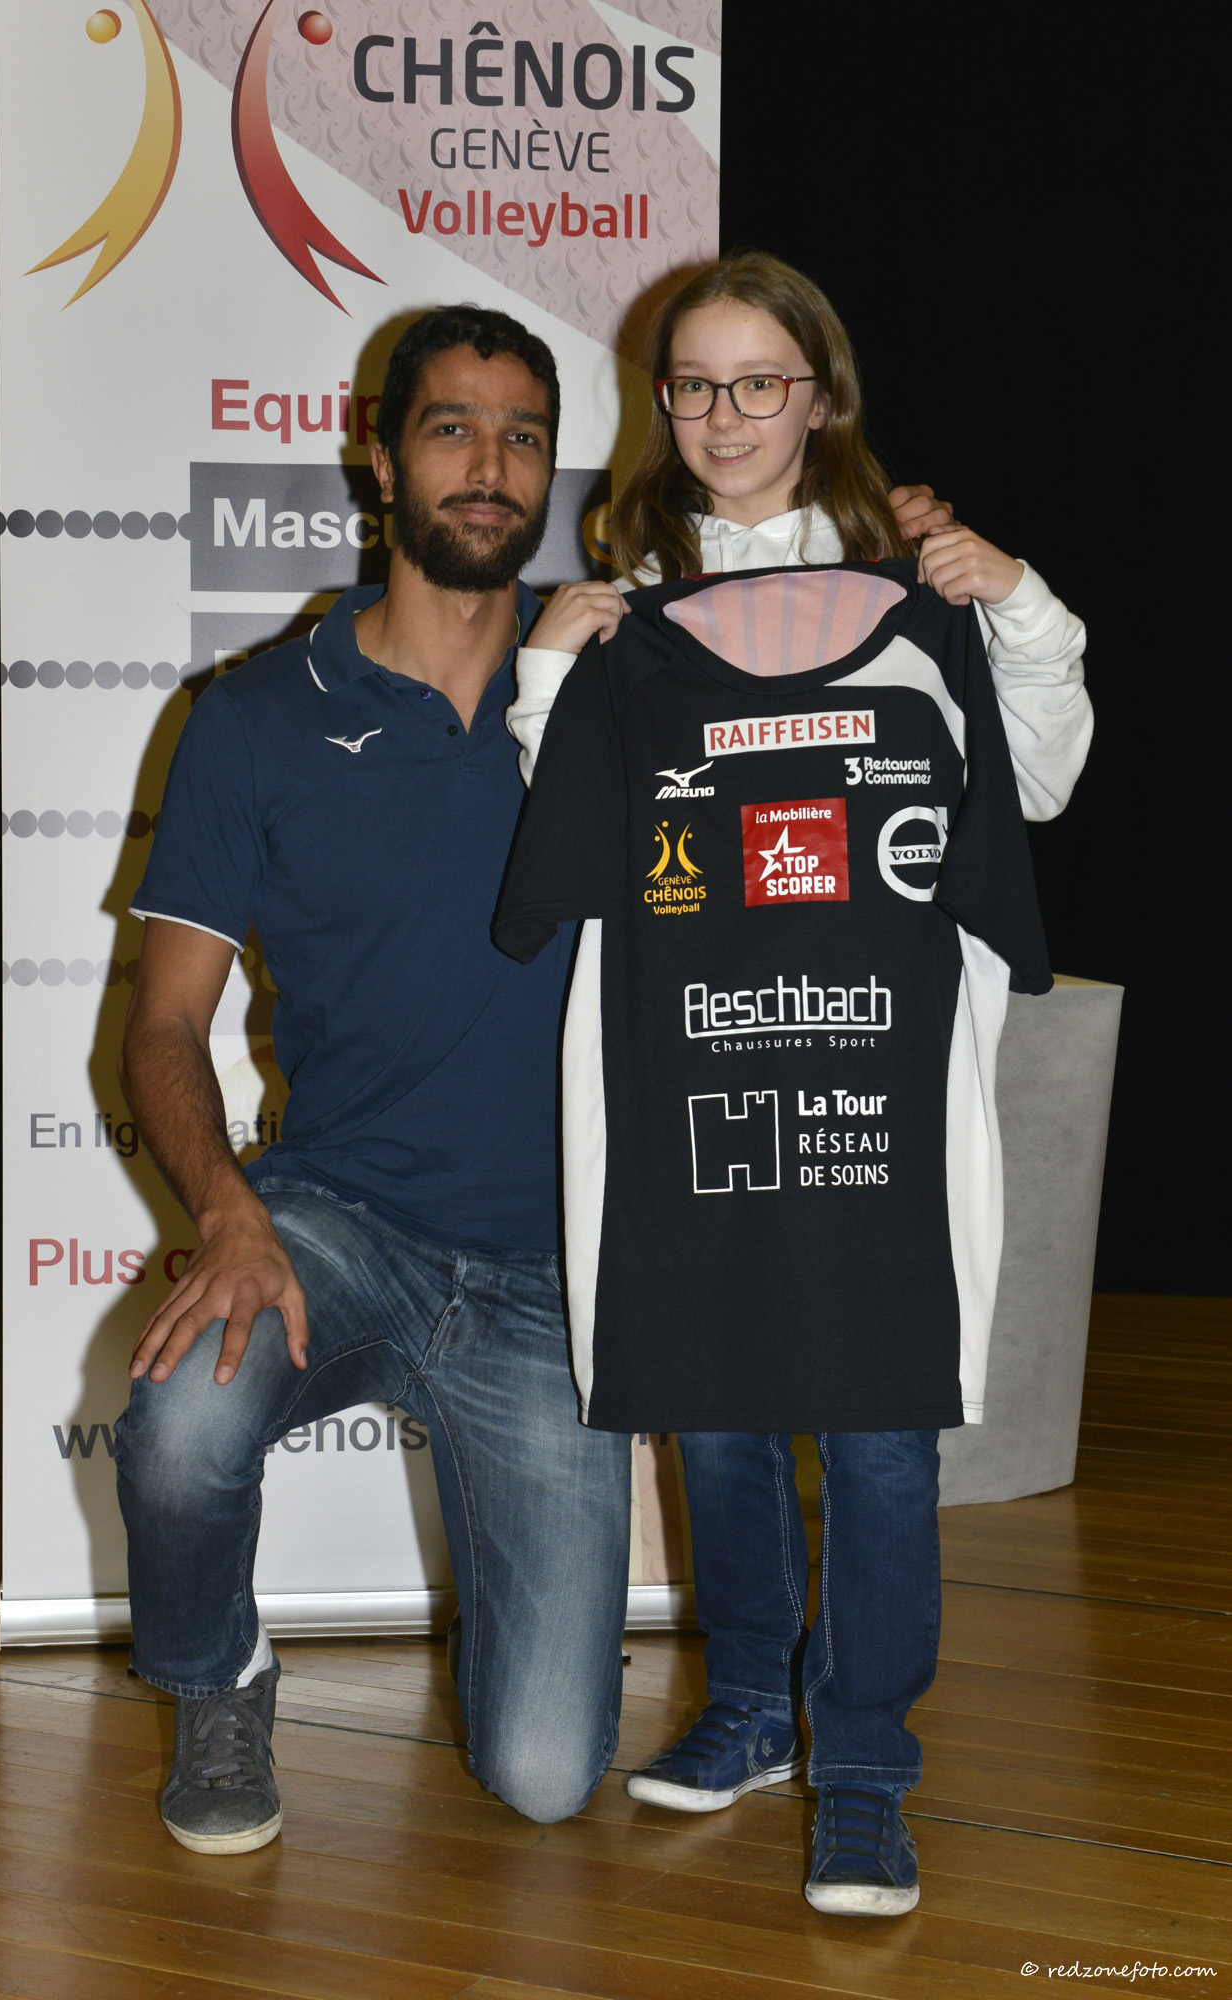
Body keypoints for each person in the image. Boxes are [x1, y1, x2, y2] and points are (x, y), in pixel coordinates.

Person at [113, 296, 951, 1858]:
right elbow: (162, 1029)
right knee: (176, 1422)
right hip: (339, 1224)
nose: (489, 466)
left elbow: (822, 692)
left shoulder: (630, 676)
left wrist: (898, 555)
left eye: (522, 437)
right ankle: (217, 1680)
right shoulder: (252, 719)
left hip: (555, 1282)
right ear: (378, 461)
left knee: (549, 1774)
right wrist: (228, 1216)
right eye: (451, 429)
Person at [497, 251, 1089, 1916]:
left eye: (758, 381)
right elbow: (570, 830)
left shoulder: (918, 580)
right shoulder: (629, 593)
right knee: (716, 1399)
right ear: (660, 400)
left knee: (879, 1426)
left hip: (878, 1081)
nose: (724, 414)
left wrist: (1013, 598)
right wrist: (548, 670)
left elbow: (1041, 783)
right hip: (687, 1065)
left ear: (818, 395)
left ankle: (868, 1768)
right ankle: (753, 1707)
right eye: (693, 383)